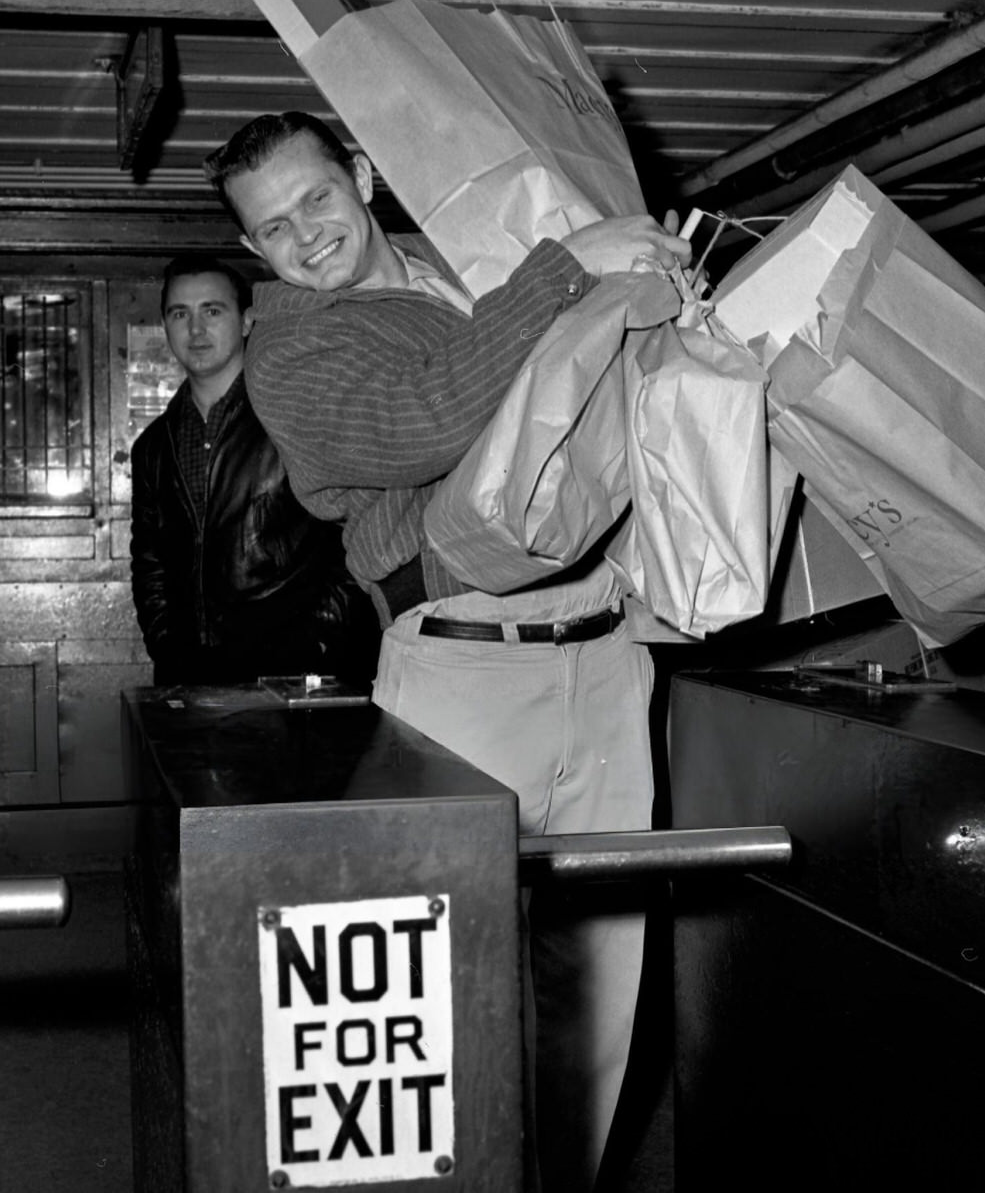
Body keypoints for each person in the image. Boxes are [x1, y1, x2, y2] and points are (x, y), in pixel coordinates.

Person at [203, 112, 690, 1192]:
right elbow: (425, 419)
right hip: (464, 665)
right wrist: (568, 266)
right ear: (251, 249)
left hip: (605, 656)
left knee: (598, 980)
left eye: (316, 199)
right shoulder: (289, 351)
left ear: (362, 175)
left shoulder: (468, 257)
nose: (305, 235)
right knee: (451, 982)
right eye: (273, 228)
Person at [130, 252, 379, 686]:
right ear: (165, 325)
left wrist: (319, 645)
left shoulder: (297, 414)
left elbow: (359, 531)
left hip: (300, 679)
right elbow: (150, 562)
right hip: (193, 681)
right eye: (180, 314)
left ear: (247, 321)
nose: (196, 329)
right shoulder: (153, 446)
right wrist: (168, 647)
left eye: (212, 311)